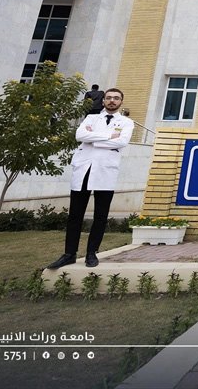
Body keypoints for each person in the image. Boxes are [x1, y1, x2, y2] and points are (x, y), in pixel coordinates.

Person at [47, 88, 132, 269]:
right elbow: (80, 135)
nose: (112, 101)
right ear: (103, 101)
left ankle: (91, 253)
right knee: (75, 215)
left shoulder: (126, 122)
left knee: (100, 216)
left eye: (116, 98)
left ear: (121, 102)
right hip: (84, 169)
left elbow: (121, 142)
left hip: (105, 171)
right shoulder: (91, 118)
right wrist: (108, 137)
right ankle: (69, 254)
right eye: (109, 98)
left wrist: (92, 139)